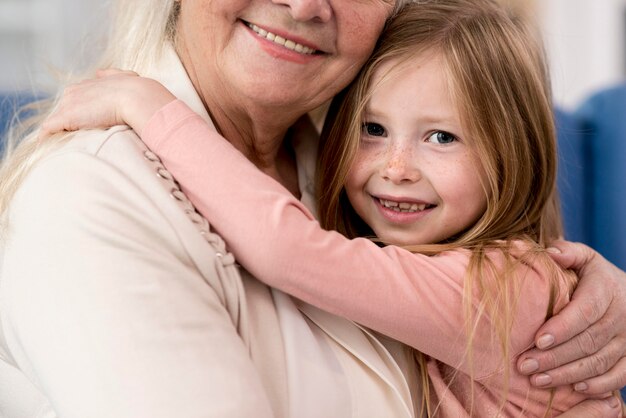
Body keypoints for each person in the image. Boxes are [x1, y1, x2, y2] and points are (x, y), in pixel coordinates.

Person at [1, 0, 625, 417]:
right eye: (375, 129)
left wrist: (151, 108)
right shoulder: (93, 196)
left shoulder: (469, 265)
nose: (397, 167)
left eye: (441, 137)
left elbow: (289, 247)